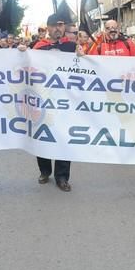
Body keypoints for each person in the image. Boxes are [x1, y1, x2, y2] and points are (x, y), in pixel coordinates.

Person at [31, 14, 76, 192]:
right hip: (43, 100)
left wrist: (83, 57)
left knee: (64, 138)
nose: (58, 28)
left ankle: (62, 176)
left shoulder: (73, 47)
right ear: (48, 28)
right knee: (43, 136)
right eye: (54, 26)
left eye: (61, 25)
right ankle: (44, 170)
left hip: (66, 101)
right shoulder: (38, 48)